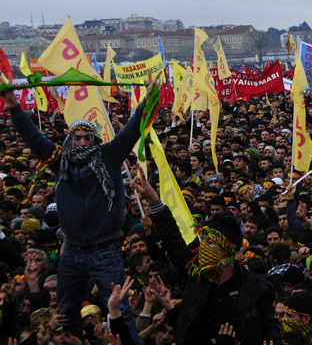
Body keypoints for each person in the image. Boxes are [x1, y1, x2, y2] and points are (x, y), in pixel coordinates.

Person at [1, 70, 161, 345]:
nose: (83, 142)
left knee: (120, 308)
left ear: (96, 140)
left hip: (106, 251)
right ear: (69, 141)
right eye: (78, 138)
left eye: (88, 137)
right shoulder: (57, 160)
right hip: (72, 251)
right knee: (64, 312)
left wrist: (147, 99)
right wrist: (13, 104)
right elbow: (31, 135)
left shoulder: (110, 155)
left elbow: (132, 129)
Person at [132, 165, 281, 345]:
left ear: (231, 251)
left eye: (211, 243)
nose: (204, 248)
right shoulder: (194, 276)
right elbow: (173, 239)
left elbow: (268, 330)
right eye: (203, 242)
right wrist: (155, 200)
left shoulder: (257, 288)